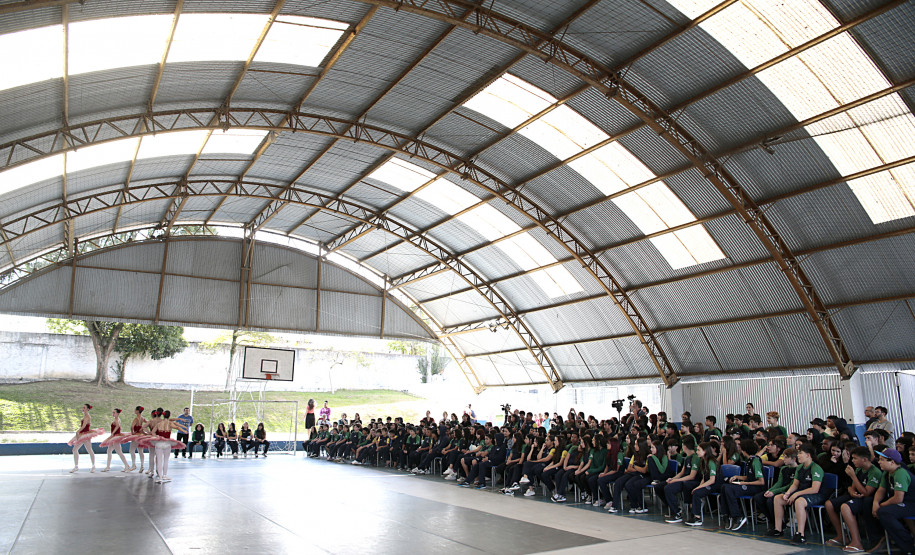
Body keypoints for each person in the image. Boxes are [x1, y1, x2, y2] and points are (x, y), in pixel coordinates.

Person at [824, 446, 882, 552]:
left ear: (864, 459)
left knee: (845, 507)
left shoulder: (875, 472)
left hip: (867, 499)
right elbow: (852, 487)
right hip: (856, 495)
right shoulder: (859, 469)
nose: (852, 461)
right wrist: (851, 491)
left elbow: (866, 492)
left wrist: (853, 476)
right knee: (829, 504)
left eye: (855, 458)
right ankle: (841, 536)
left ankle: (857, 542)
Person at [768, 443, 826, 544]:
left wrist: (796, 494)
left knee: (799, 502)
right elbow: (795, 485)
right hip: (801, 493)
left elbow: (815, 489)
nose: (798, 455)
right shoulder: (800, 468)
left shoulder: (816, 468)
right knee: (778, 498)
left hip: (815, 495)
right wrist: (788, 493)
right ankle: (778, 529)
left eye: (800, 453)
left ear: (808, 455)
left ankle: (800, 534)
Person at [874, 449, 915, 555]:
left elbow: (898, 499)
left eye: (882, 460)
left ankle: (908, 544)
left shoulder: (900, 473)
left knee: (884, 512)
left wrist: (881, 505)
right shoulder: (887, 473)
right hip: (904, 503)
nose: (879, 462)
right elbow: (881, 490)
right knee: (875, 507)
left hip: (911, 503)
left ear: (892, 462)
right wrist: (875, 503)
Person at [721, 439, 766, 530]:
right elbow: (749, 476)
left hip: (756, 487)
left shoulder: (755, 461)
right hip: (750, 484)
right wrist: (738, 477)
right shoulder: (749, 460)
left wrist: (744, 483)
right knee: (724, 487)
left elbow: (761, 481)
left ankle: (737, 516)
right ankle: (726, 514)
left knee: (730, 489)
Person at [663, 435, 700, 523]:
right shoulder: (687, 458)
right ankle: (675, 510)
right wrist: (672, 479)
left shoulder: (695, 458)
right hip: (684, 480)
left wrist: (676, 481)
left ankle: (678, 513)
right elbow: (682, 472)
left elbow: (692, 476)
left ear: (685, 446)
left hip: (691, 481)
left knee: (670, 488)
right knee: (665, 486)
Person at [685, 442, 722, 526]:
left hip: (715, 485)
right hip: (708, 483)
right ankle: (693, 512)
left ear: (705, 451)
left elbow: (712, 480)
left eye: (698, 450)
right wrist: (698, 486)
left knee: (697, 493)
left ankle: (697, 518)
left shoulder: (711, 462)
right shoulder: (703, 461)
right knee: (694, 489)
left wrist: (699, 488)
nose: (696, 452)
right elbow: (704, 477)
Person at [150, 410, 186, 483]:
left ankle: (160, 477)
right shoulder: (169, 423)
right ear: (169, 416)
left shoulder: (159, 424)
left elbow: (152, 432)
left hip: (159, 443)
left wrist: (156, 436)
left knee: (159, 460)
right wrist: (184, 431)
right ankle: (164, 475)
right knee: (166, 460)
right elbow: (177, 428)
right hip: (167, 443)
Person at [68, 403, 103, 473]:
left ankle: (93, 466)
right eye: (82, 407)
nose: (83, 409)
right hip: (82, 435)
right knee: (75, 450)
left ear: (87, 409)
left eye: (84, 408)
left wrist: (77, 432)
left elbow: (84, 426)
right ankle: (76, 466)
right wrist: (78, 433)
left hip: (86, 435)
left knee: (89, 450)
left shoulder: (87, 416)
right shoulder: (85, 416)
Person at [124, 406, 147, 472]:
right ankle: (142, 465)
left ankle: (134, 465)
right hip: (141, 436)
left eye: (135, 409)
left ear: (137, 411)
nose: (134, 410)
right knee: (140, 451)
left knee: (131, 450)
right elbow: (147, 423)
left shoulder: (136, 419)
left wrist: (132, 433)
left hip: (136, 436)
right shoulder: (142, 418)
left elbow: (132, 426)